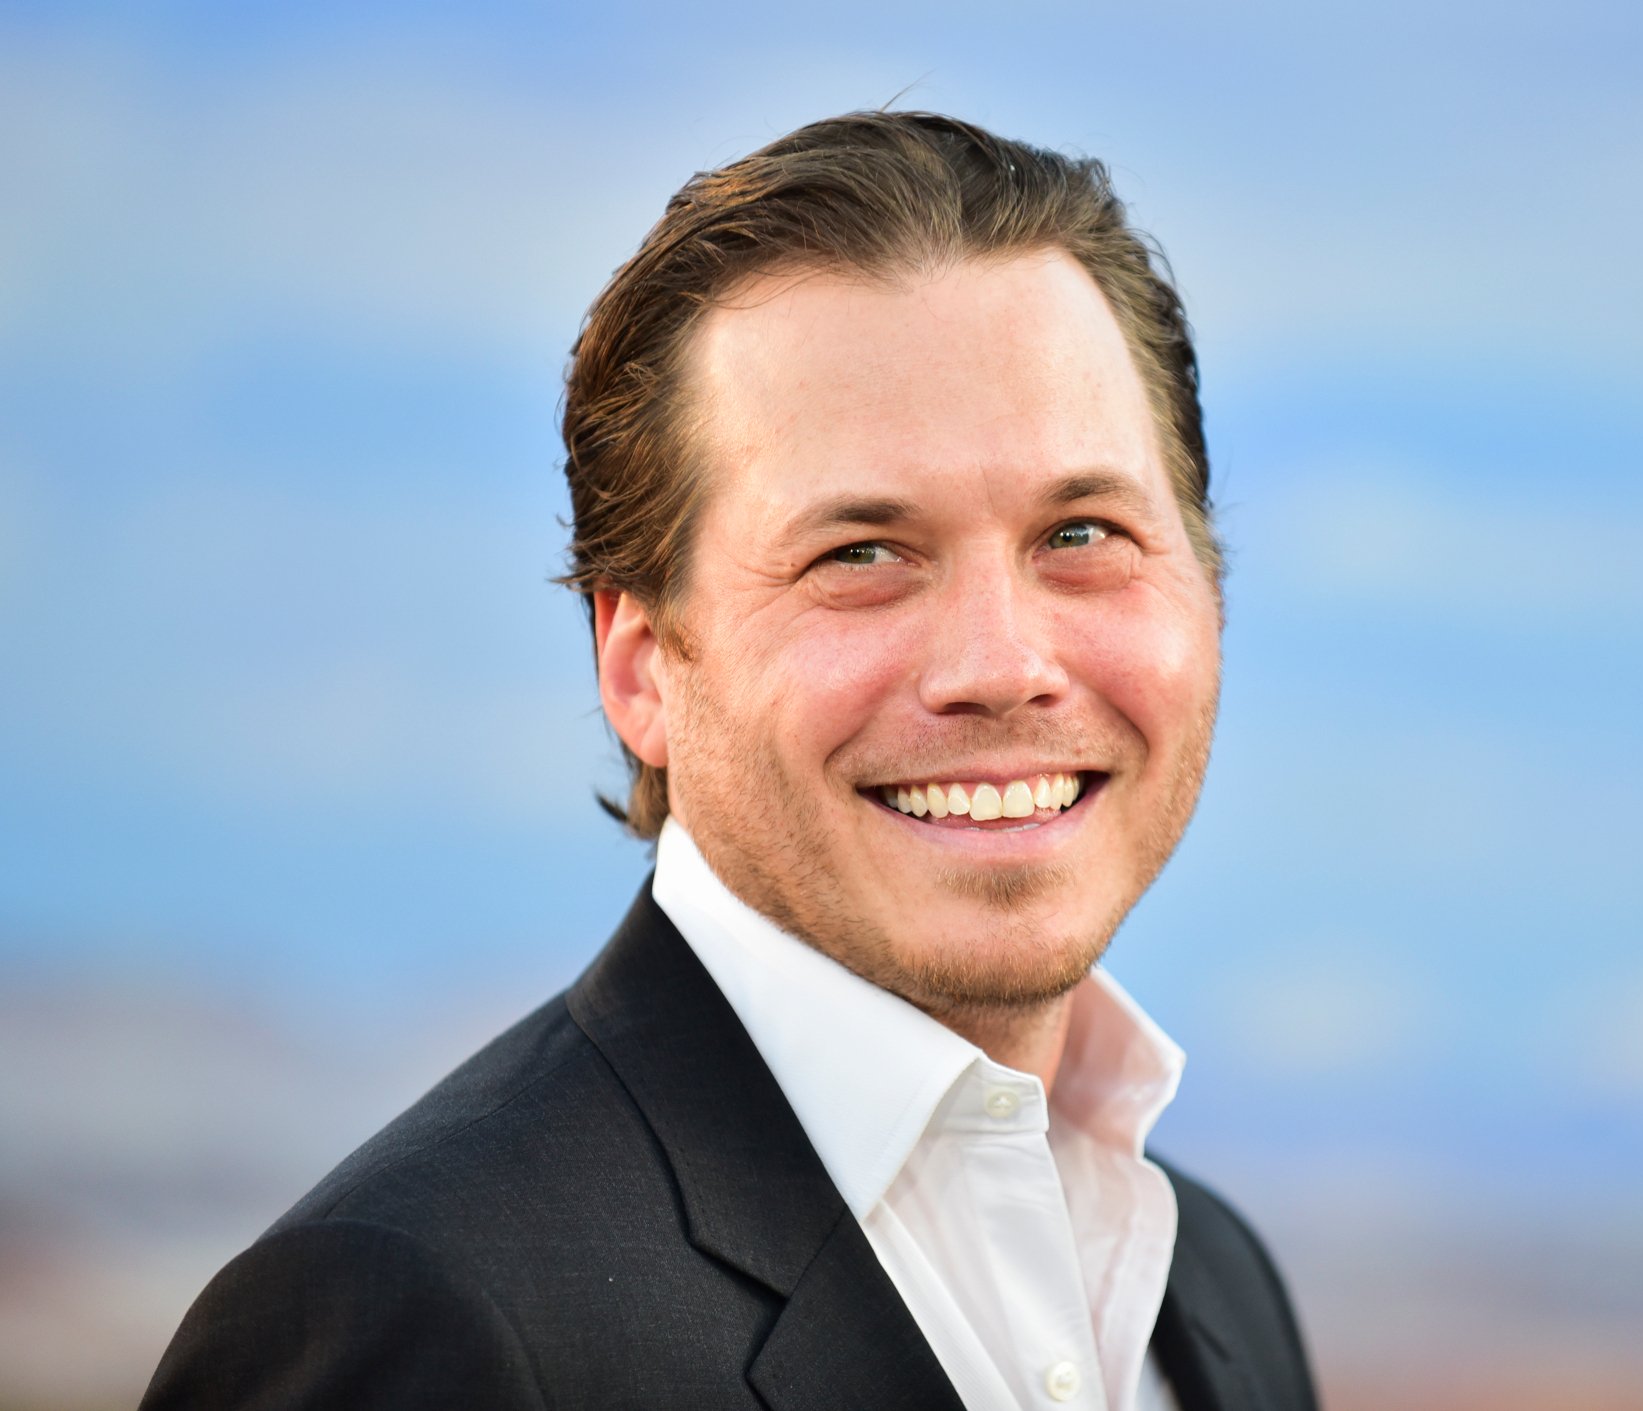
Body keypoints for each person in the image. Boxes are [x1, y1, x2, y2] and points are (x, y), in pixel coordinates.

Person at [142, 110, 1317, 1411]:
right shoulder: (420, 1321)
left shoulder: (1217, 1294)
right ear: (640, 666)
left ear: (1206, 587)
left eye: (1083, 532)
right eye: (861, 555)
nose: (1002, 661)